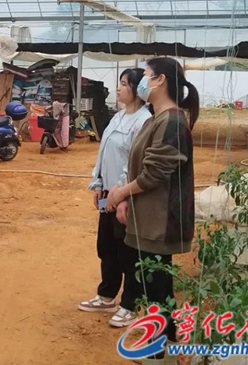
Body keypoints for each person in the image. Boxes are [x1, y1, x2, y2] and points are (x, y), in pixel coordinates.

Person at [106, 57, 200, 363]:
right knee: (158, 287)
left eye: (146, 75)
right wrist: (125, 198)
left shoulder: (171, 122)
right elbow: (142, 167)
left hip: (160, 221)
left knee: (156, 289)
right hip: (148, 219)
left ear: (160, 80)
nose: (141, 82)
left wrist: (122, 192)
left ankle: (158, 354)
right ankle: (166, 347)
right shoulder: (156, 119)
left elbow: (155, 173)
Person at [78, 68, 151, 328]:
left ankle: (129, 304)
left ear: (137, 89)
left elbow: (134, 161)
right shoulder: (118, 117)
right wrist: (98, 183)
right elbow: (104, 152)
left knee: (128, 252)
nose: (118, 88)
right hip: (108, 194)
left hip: (125, 196)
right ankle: (107, 294)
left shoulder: (144, 121)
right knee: (106, 246)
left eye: (124, 84)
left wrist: (122, 195)